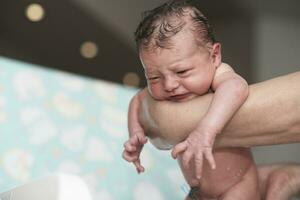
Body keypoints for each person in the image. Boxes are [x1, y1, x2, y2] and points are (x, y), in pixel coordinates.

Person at [123, 0, 261, 199]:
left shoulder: (219, 74)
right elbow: (137, 100)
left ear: (214, 56)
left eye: (182, 71)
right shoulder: (166, 86)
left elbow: (236, 87)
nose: (169, 85)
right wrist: (135, 133)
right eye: (154, 77)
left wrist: (206, 129)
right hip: (198, 191)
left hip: (237, 185)